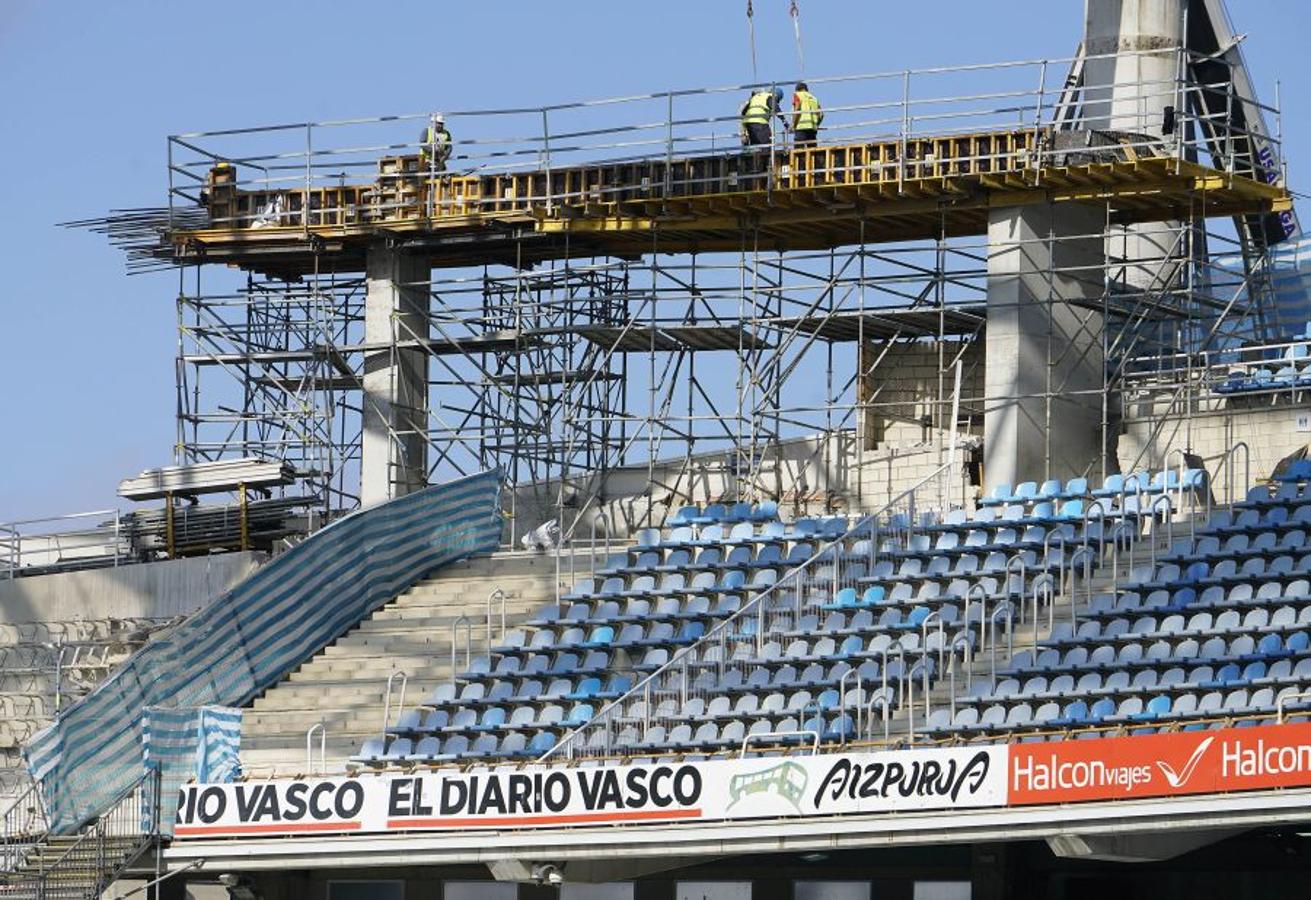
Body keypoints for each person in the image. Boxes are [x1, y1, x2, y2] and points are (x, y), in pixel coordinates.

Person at [791, 82, 823, 147]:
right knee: (812, 151)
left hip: (801, 126)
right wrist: (816, 124)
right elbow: (821, 114)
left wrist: (793, 124)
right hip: (812, 128)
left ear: (797, 89)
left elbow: (797, 108)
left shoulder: (797, 95)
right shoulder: (814, 98)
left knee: (799, 151)